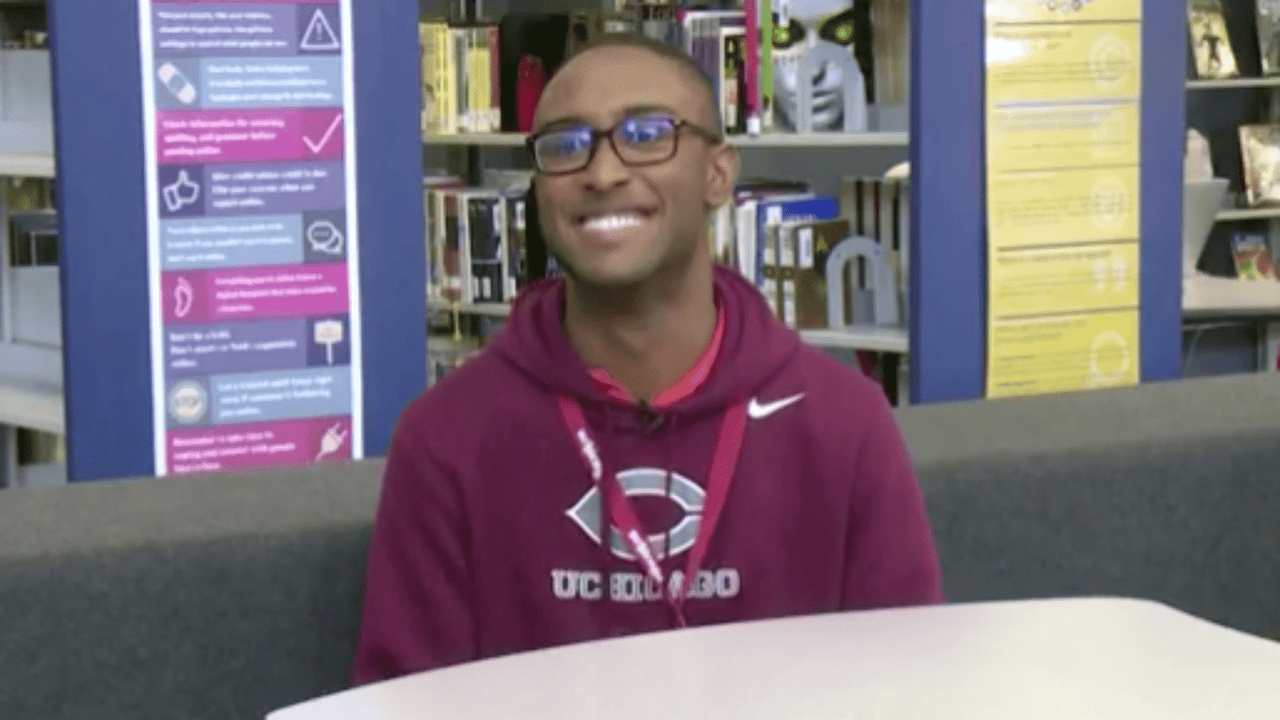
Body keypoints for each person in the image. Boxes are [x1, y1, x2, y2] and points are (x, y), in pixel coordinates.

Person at [350, 32, 943, 684]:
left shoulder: (842, 423)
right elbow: (402, 700)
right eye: (567, 145)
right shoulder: (447, 438)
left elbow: (906, 687)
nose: (602, 174)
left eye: (646, 133)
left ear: (718, 174)